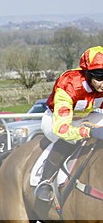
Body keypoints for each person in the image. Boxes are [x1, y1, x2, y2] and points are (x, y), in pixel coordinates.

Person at [35, 46, 103, 201]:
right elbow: (62, 128)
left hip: (86, 117)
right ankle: (45, 182)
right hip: (56, 121)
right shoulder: (69, 85)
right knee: (69, 139)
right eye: (100, 78)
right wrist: (90, 132)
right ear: (88, 74)